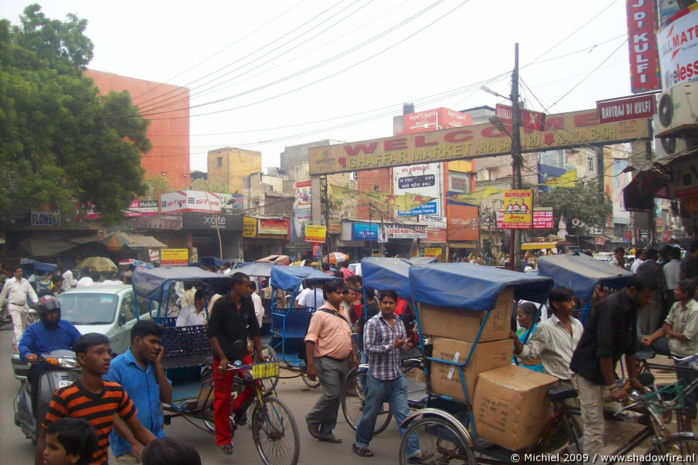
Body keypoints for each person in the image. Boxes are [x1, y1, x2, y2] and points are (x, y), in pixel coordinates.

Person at [569, 274, 657, 463]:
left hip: (604, 373)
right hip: (587, 371)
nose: (648, 301)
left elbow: (631, 347)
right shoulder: (611, 307)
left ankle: (572, 452)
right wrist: (613, 386)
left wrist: (633, 379)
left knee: (616, 418)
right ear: (633, 291)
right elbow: (604, 351)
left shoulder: (632, 307)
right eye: (646, 296)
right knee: (595, 426)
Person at [37, 333, 156, 465]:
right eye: (99, 352)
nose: (107, 357)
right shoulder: (65, 396)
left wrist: (166, 451)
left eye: (108, 352)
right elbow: (44, 439)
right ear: (82, 358)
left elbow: (139, 431)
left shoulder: (116, 392)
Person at [352, 290, 422, 461]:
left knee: (404, 415)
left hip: (397, 377)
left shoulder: (399, 321)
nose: (388, 306)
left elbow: (401, 344)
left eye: (391, 303)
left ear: (395, 304)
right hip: (377, 378)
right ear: (380, 303)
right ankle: (360, 443)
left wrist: (405, 346)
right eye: (385, 303)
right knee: (370, 414)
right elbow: (368, 349)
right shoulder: (372, 323)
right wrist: (391, 346)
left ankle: (413, 451)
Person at [207, 272, 265, 455]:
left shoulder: (247, 302)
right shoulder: (221, 304)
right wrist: (222, 357)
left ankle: (237, 406)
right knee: (222, 398)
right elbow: (211, 334)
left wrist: (260, 353)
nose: (249, 289)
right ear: (236, 286)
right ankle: (223, 438)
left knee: (256, 384)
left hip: (241, 356)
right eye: (247, 285)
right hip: (223, 357)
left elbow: (254, 329)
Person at [105, 321, 173, 463]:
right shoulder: (116, 368)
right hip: (130, 449)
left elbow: (167, 397)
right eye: (152, 342)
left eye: (158, 343)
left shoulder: (153, 366)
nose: (156, 347)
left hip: (156, 443)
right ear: (137, 340)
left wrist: (158, 366)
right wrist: (133, 442)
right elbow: (111, 413)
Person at [639, 279, 698, 431]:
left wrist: (670, 332)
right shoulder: (676, 306)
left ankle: (687, 420)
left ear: (685, 293)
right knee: (641, 340)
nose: (675, 292)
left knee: (687, 388)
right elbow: (665, 326)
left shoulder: (695, 310)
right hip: (672, 346)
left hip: (687, 352)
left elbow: (686, 336)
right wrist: (651, 338)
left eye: (678, 290)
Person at [305, 278, 357, 443]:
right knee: (332, 394)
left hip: (344, 360)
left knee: (337, 397)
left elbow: (348, 334)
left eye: (342, 292)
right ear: (328, 294)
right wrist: (310, 366)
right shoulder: (319, 314)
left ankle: (327, 431)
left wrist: (354, 355)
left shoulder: (343, 311)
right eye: (337, 292)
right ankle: (313, 419)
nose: (341, 295)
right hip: (326, 360)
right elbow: (310, 340)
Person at [19, 295, 82, 415]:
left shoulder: (67, 326)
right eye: (50, 313)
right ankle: (37, 413)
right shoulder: (33, 329)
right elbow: (23, 346)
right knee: (36, 380)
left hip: (69, 365)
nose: (54, 315)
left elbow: (81, 342)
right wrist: (28, 355)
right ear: (42, 314)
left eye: (56, 312)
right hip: (43, 367)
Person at [512, 287, 583, 382]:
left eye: (573, 300)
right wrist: (517, 342)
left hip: (579, 381)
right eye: (569, 301)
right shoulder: (545, 328)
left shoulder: (577, 324)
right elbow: (530, 353)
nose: (573, 304)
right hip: (559, 383)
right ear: (556, 304)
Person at [0, 266, 39, 351]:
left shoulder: (25, 282)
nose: (21, 273)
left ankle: (15, 341)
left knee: (22, 327)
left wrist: (35, 300)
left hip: (24, 306)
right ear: (14, 273)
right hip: (14, 306)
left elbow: (31, 292)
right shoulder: (10, 282)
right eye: (18, 271)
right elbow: (3, 294)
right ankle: (19, 345)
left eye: (21, 271)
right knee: (18, 325)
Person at [511, 302, 544, 373]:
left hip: (530, 368)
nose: (517, 319)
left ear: (530, 317)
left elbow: (533, 356)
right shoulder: (520, 331)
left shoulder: (536, 331)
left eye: (520, 316)